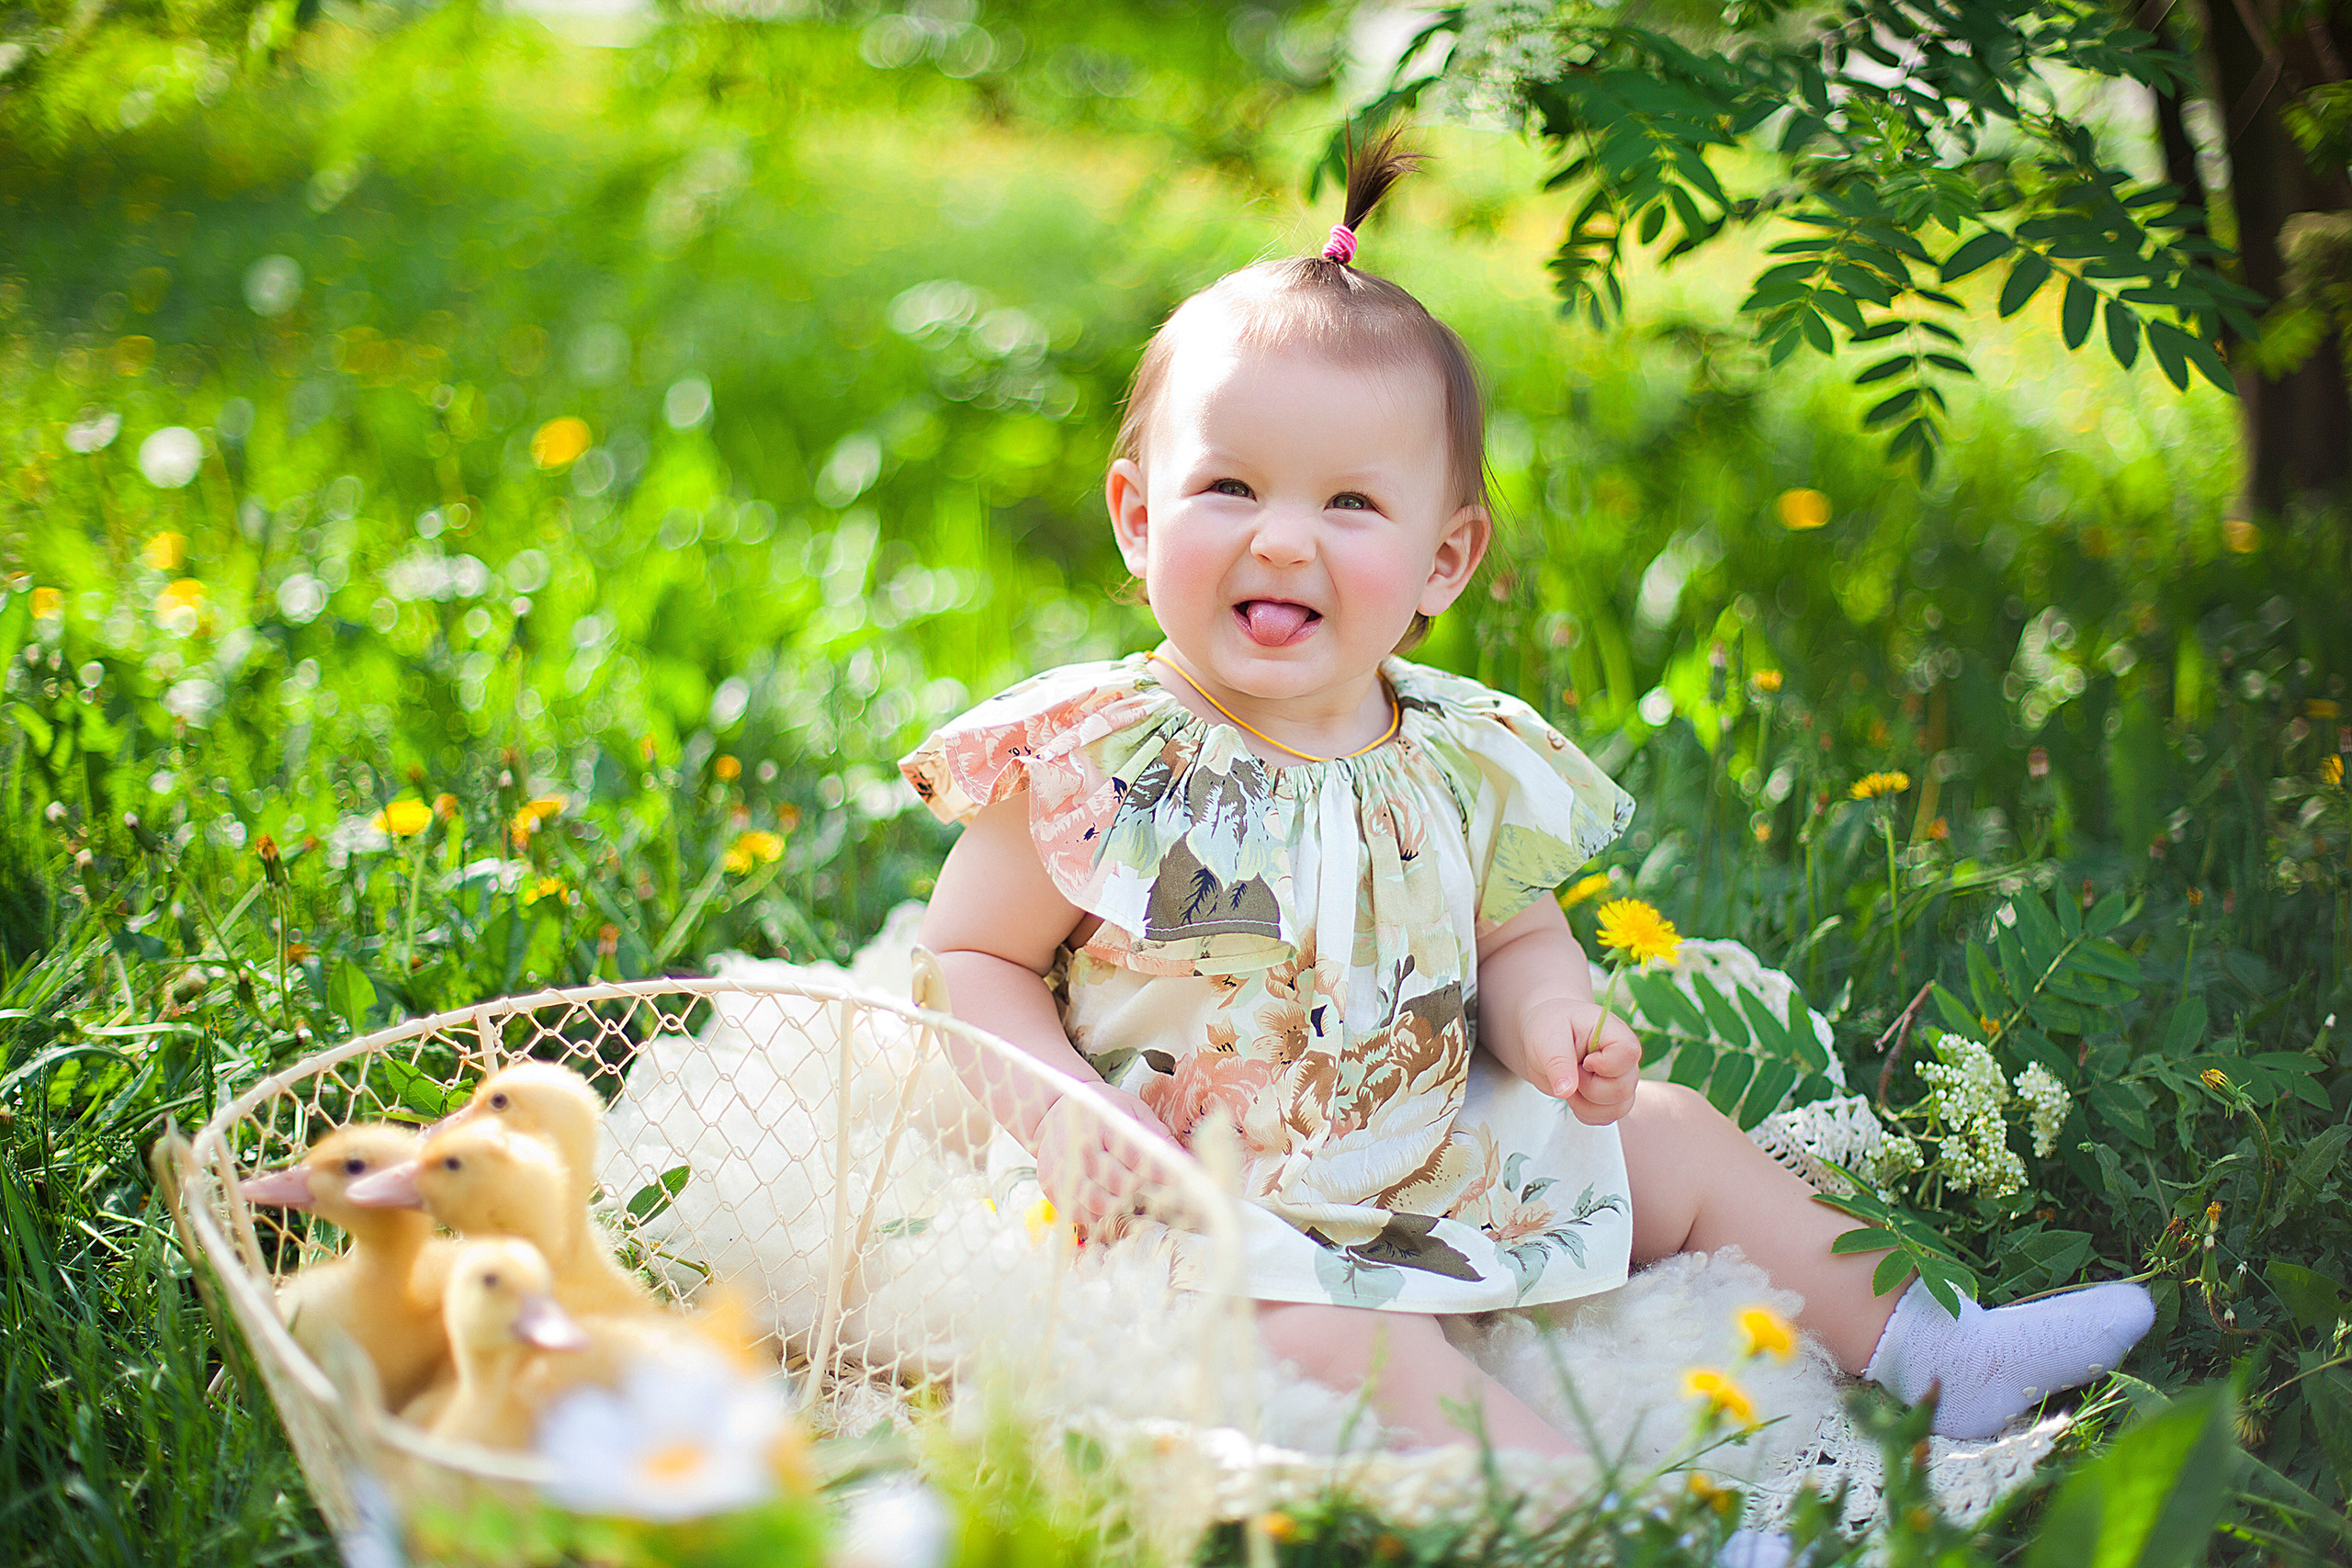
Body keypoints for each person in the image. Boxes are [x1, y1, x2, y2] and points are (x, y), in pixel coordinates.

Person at [901, 131, 2153, 1456]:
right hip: (1203, 1199)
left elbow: (1508, 930)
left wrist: (1555, 1020)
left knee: (1673, 1137)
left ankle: (1933, 1347)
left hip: (1428, 1140)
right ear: (1137, 517)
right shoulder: (1106, 760)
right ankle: (1593, 1511)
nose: (1282, 536)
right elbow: (969, 955)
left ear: (1444, 560)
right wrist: (1068, 1120)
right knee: (1325, 1333)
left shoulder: (1458, 749)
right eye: (1229, 486)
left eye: (1347, 502)